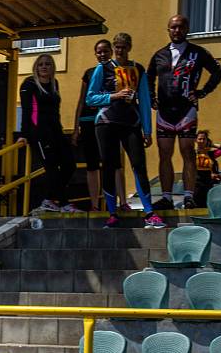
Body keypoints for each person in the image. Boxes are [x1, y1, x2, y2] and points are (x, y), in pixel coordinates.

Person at [86, 32, 164, 229]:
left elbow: (145, 101)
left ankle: (149, 212)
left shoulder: (138, 69)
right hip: (106, 122)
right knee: (110, 166)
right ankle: (112, 213)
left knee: (139, 164)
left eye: (123, 47)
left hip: (131, 123)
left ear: (129, 47)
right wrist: (114, 96)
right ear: (113, 48)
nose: (120, 50)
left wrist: (147, 130)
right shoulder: (103, 68)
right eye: (117, 47)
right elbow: (90, 98)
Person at [148, 14, 221, 210]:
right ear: (168, 30)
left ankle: (189, 196)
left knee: (188, 153)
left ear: (187, 29)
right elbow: (148, 78)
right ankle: (166, 198)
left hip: (186, 111)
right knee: (164, 154)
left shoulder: (198, 53)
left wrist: (202, 92)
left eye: (180, 27)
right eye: (173, 27)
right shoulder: (159, 55)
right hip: (164, 112)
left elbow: (218, 71)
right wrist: (151, 98)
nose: (176, 31)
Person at [18, 53, 80, 213]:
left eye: (48, 64)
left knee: (69, 164)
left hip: (55, 131)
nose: (44, 67)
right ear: (36, 68)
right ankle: (64, 203)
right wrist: (24, 134)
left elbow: (55, 111)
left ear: (53, 67)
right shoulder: (29, 84)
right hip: (38, 132)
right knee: (51, 166)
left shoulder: (54, 84)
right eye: (41, 64)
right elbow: (26, 110)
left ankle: (48, 199)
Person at [72, 39, 127, 211]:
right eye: (99, 52)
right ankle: (95, 205)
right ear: (95, 54)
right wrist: (75, 128)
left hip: (110, 121)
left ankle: (123, 202)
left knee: (115, 163)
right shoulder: (89, 73)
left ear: (111, 52)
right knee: (92, 165)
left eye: (105, 51)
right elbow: (82, 100)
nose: (102, 54)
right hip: (89, 122)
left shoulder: (119, 71)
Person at [193, 129, 221, 207]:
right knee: (197, 205)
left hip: (208, 183)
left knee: (208, 205)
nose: (202, 141)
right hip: (196, 184)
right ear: (196, 140)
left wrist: (211, 144)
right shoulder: (192, 154)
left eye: (204, 139)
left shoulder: (211, 154)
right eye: (200, 139)